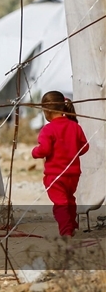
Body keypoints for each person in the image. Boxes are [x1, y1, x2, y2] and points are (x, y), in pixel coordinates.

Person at [31, 92, 89, 237]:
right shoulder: (75, 126)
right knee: (69, 200)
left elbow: (44, 149)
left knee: (60, 204)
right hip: (73, 175)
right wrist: (72, 151)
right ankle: (72, 225)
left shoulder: (48, 129)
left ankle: (66, 232)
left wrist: (35, 152)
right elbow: (85, 147)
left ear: (47, 111)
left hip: (55, 175)